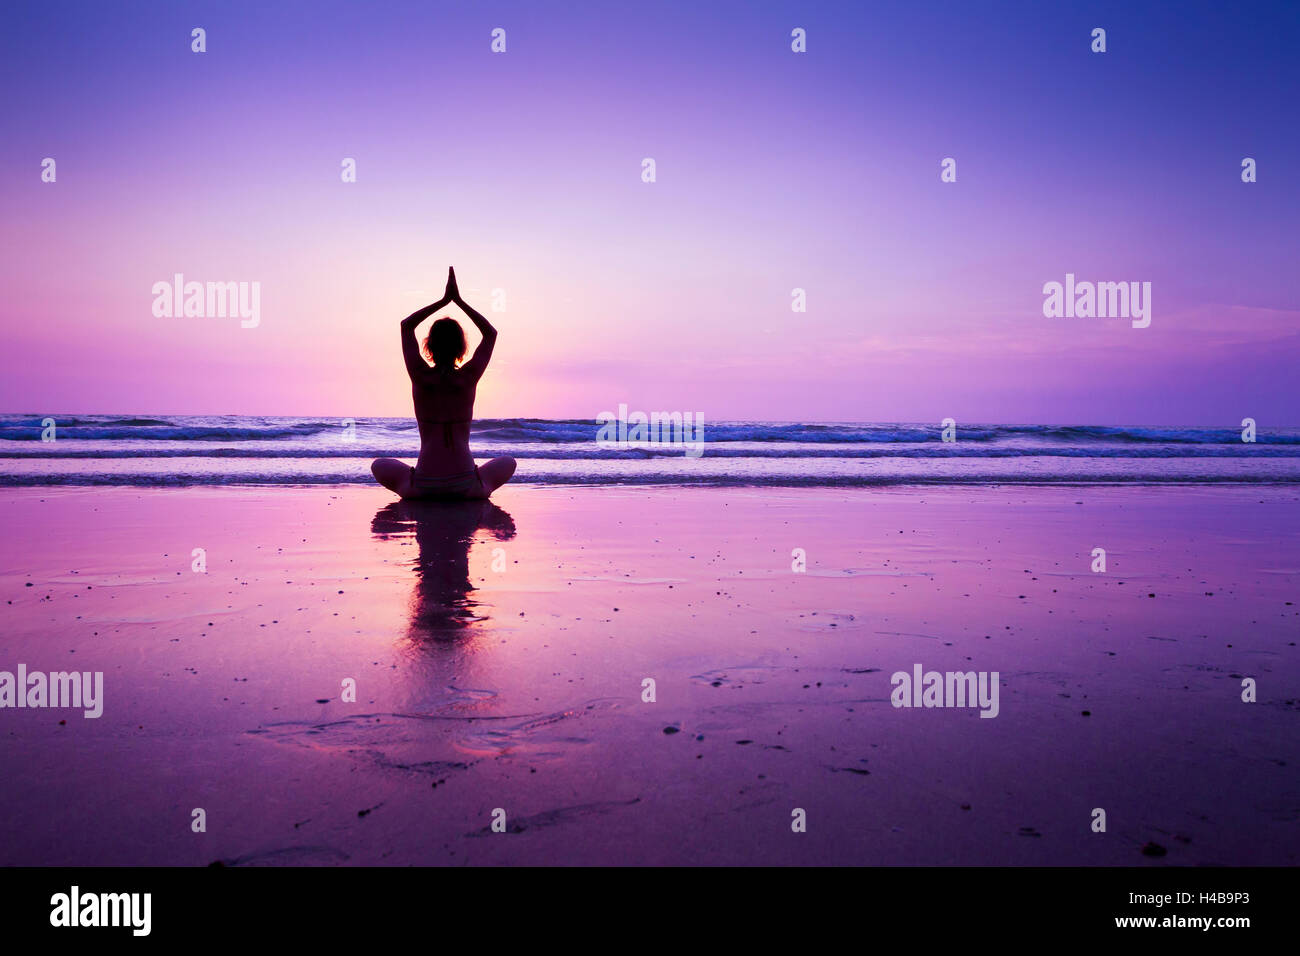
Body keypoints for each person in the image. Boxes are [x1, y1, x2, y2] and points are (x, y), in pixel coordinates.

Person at [370, 267, 516, 499]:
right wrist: (458, 301)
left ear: (428, 346)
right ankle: (477, 484)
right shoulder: (467, 378)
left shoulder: (420, 375)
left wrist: (443, 301)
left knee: (378, 464)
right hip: (467, 486)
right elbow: (490, 333)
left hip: (422, 487)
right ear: (461, 348)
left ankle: (414, 481)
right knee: (509, 461)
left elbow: (406, 325)